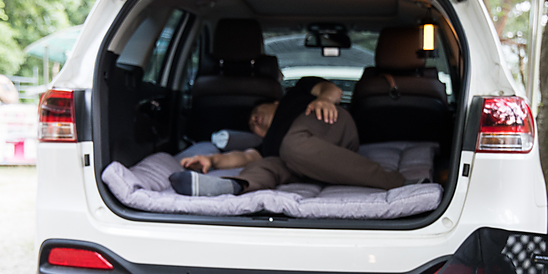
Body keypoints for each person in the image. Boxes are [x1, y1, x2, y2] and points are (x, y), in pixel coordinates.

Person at [169, 77, 406, 197]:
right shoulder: (269, 144)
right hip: (304, 159)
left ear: (274, 103)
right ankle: (230, 186)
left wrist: (324, 100)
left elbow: (331, 90)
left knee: (292, 146)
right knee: (267, 163)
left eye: (255, 114)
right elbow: (242, 156)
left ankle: (394, 181)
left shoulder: (297, 95)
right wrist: (213, 161)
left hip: (329, 123)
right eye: (251, 125)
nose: (253, 121)